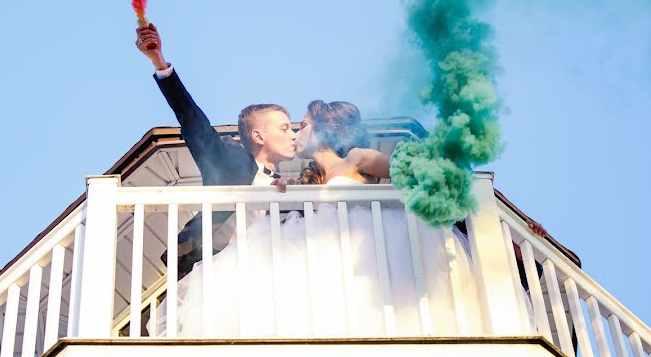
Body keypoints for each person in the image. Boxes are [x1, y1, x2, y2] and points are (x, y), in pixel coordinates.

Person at [154, 100, 493, 338]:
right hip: (328, 263)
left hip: (368, 253)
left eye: (299, 126)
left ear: (321, 130)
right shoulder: (306, 182)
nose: (293, 134)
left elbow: (407, 175)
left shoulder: (358, 157)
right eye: (287, 128)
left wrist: (445, 181)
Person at [136, 23, 297, 278]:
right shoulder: (229, 162)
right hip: (213, 274)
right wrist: (159, 62)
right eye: (285, 128)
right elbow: (192, 119)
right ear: (258, 136)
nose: (293, 135)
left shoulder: (290, 187)